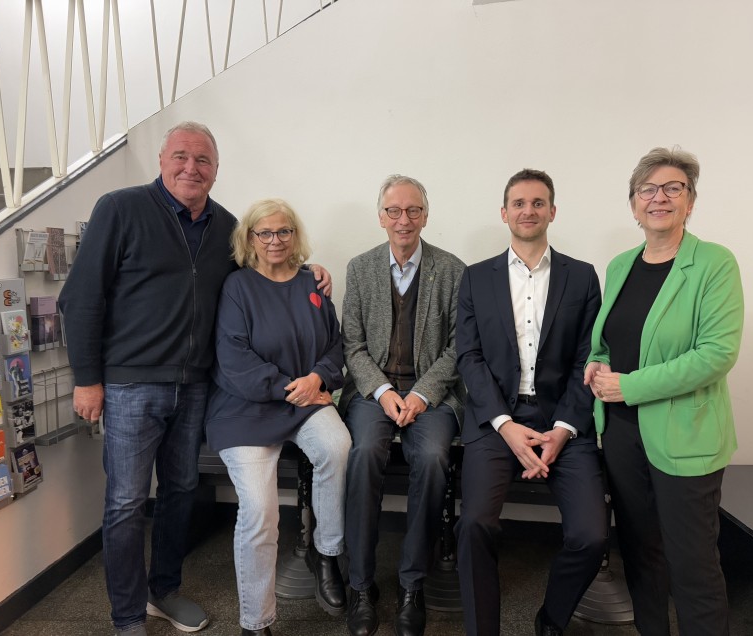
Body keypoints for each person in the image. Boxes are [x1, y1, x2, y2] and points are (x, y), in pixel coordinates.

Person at [59, 121, 331, 636]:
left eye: (203, 160)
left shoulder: (227, 226)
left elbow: (264, 267)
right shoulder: (120, 209)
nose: (191, 167)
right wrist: (87, 378)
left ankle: (165, 590)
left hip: (197, 385)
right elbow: (81, 297)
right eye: (181, 156)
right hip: (129, 383)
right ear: (161, 160)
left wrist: (309, 271)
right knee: (125, 501)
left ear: (216, 169)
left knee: (181, 489)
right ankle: (126, 615)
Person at [584, 147, 744, 636]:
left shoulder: (714, 263)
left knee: (693, 565)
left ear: (690, 201)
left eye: (673, 188)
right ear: (634, 205)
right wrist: (597, 364)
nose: (660, 198)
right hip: (623, 435)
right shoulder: (619, 266)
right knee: (641, 555)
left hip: (686, 435)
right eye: (648, 190)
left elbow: (715, 354)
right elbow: (609, 340)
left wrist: (627, 385)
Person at [455, 169, 608, 636]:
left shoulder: (581, 277)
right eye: (518, 203)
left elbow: (590, 357)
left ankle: (551, 619)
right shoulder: (476, 277)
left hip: (563, 418)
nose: (528, 211)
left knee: (591, 536)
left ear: (552, 212)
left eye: (538, 203)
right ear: (504, 213)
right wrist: (504, 424)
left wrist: (563, 429)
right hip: (495, 420)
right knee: (475, 525)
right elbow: (469, 356)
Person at [205, 199, 350, 636]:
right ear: (249, 238)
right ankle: (257, 621)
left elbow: (336, 346)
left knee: (339, 447)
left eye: (283, 231)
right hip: (245, 408)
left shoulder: (313, 283)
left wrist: (318, 378)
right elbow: (234, 359)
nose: (274, 240)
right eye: (263, 233)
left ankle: (325, 554)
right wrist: (296, 388)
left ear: (295, 236)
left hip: (305, 402)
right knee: (260, 511)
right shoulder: (237, 288)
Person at [340, 175, 465, 636]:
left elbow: (457, 347)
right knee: (364, 454)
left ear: (426, 216)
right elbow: (351, 345)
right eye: (394, 211)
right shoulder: (360, 268)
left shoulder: (452, 270)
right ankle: (360, 584)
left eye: (413, 210)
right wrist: (383, 392)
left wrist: (419, 394)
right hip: (374, 393)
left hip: (430, 395)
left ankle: (412, 583)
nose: (403, 219)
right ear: (381, 217)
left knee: (433, 458)